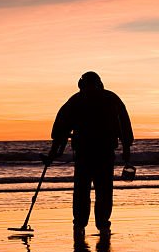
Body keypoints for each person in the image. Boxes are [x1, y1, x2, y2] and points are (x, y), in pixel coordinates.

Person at [45, 71, 133, 232]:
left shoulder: (77, 100)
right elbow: (124, 127)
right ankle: (102, 224)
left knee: (82, 191)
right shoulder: (111, 98)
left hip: (86, 154)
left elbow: (61, 130)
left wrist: (55, 151)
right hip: (103, 153)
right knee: (104, 190)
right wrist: (126, 148)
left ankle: (80, 225)